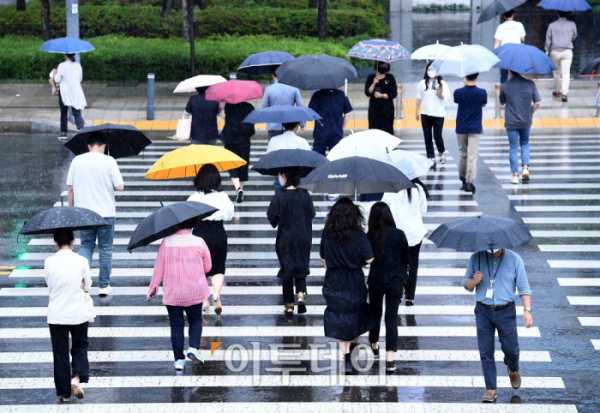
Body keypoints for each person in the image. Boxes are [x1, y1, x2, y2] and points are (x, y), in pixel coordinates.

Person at [461, 248, 533, 402]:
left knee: (511, 349)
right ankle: (491, 388)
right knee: (485, 350)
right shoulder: (476, 257)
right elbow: (466, 284)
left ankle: (513, 369)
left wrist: (527, 310)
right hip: (483, 310)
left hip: (506, 310)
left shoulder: (514, 259)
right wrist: (474, 280)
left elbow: (523, 287)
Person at [147, 217, 212, 371]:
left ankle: (178, 361)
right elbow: (208, 267)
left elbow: (159, 268)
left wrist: (153, 289)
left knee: (176, 325)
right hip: (194, 290)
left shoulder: (167, 242)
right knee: (195, 319)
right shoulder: (199, 241)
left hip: (173, 292)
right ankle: (193, 347)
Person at [320, 198, 376, 373]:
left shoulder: (327, 234)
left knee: (339, 317)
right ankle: (352, 351)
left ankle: (345, 358)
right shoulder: (359, 235)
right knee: (354, 316)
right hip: (354, 279)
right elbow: (370, 258)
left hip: (334, 278)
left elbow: (323, 258)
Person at [67, 134, 124, 297]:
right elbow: (120, 187)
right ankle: (104, 285)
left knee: (86, 246)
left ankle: (83, 283)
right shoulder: (109, 160)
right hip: (106, 213)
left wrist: (72, 210)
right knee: (105, 248)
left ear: (88, 145)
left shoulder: (77, 160)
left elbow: (70, 189)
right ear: (104, 145)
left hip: (84, 213)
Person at [44, 228, 92, 402]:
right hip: (78, 312)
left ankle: (64, 394)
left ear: (55, 242)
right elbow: (88, 285)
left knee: (60, 353)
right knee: (80, 347)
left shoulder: (49, 261)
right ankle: (76, 377)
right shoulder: (81, 260)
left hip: (56, 314)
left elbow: (49, 284)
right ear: (73, 241)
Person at [366, 202, 410, 372]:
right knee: (391, 319)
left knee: (375, 315)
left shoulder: (370, 236)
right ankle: (390, 359)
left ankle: (375, 345)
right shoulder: (399, 234)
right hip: (395, 281)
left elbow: (365, 258)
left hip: (376, 280)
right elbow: (407, 258)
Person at [267, 167, 316, 315]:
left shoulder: (280, 196)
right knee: (301, 264)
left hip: (286, 237)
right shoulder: (304, 194)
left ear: (284, 176)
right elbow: (312, 214)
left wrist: (280, 218)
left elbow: (271, 216)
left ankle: (289, 304)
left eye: (279, 176)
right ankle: (300, 295)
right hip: (303, 236)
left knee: (287, 268)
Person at [188, 164, 234, 315]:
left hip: (200, 234)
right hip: (218, 233)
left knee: (201, 269)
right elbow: (229, 215)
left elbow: (187, 218)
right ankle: (216, 294)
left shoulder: (194, 197)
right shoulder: (223, 197)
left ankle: (204, 300)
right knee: (218, 268)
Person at [382, 178, 429, 306]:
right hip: (415, 232)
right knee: (413, 264)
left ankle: (399, 290)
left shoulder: (392, 188)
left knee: (398, 264)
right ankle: (410, 297)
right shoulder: (418, 189)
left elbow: (384, 206)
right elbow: (424, 208)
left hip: (398, 233)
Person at [499, 71, 541, 185]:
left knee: (513, 147)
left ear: (510, 72)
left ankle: (515, 176)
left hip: (511, 121)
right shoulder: (530, 84)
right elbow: (537, 102)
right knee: (525, 143)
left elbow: (502, 102)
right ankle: (525, 168)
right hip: (526, 120)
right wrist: (530, 112)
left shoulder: (505, 85)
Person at [453, 72, 487, 194]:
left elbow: (456, 100)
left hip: (461, 127)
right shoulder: (482, 92)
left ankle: (462, 178)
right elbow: (483, 103)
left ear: (465, 77)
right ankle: (469, 182)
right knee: (472, 156)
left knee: (463, 154)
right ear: (477, 76)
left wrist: (463, 86)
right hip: (475, 128)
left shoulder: (458, 92)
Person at [415, 62, 450, 167]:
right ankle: (431, 156)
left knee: (437, 135)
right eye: (429, 69)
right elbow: (419, 98)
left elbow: (446, 98)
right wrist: (416, 111)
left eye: (433, 69)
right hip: (425, 114)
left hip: (438, 114)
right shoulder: (422, 83)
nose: (430, 72)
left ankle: (441, 152)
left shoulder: (442, 83)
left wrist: (439, 90)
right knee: (427, 135)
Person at [220, 102, 256, 203]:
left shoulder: (228, 105)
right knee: (243, 164)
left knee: (232, 163)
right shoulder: (249, 106)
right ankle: (240, 188)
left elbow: (227, 117)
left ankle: (237, 188)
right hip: (244, 138)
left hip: (230, 137)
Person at [266, 121, 311, 193]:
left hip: (281, 175)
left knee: (279, 200)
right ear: (297, 125)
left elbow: (269, 159)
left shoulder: (274, 140)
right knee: (298, 198)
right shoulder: (302, 141)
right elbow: (308, 160)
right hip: (297, 176)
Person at [308, 88, 353, 155]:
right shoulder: (341, 94)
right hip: (336, 132)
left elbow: (311, 112)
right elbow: (347, 114)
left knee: (317, 158)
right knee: (336, 157)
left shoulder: (317, 95)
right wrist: (341, 128)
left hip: (320, 131)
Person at [545, 11, 577, 102]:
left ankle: (558, 91)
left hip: (555, 51)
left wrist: (547, 50)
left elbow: (548, 39)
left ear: (557, 14)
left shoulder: (552, 25)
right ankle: (564, 93)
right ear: (567, 14)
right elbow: (574, 36)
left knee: (556, 72)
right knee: (566, 73)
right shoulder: (572, 24)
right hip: (567, 51)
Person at [53, 53, 86, 140]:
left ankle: (63, 133)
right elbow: (80, 78)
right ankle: (81, 130)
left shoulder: (62, 65)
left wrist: (54, 73)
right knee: (77, 112)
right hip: (76, 91)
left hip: (64, 91)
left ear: (65, 55)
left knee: (64, 112)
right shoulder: (78, 65)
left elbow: (57, 80)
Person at [262, 73, 305, 139]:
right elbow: (300, 106)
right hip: (290, 125)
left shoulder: (268, 89)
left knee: (274, 146)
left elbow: (265, 106)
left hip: (273, 125)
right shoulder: (294, 88)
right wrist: (302, 123)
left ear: (273, 75)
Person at [364, 61, 397, 135]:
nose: (383, 67)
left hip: (387, 109)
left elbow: (394, 93)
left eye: (385, 65)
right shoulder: (371, 77)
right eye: (381, 65)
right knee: (374, 129)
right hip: (374, 109)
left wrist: (381, 95)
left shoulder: (390, 78)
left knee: (387, 129)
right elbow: (367, 92)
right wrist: (374, 82)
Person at [494, 10, 526, 84]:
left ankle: (504, 89)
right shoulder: (519, 25)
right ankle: (516, 87)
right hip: (516, 51)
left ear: (504, 16)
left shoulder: (501, 26)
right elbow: (522, 38)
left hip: (504, 52)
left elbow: (497, 41)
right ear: (513, 14)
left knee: (504, 73)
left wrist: (495, 53)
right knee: (516, 72)